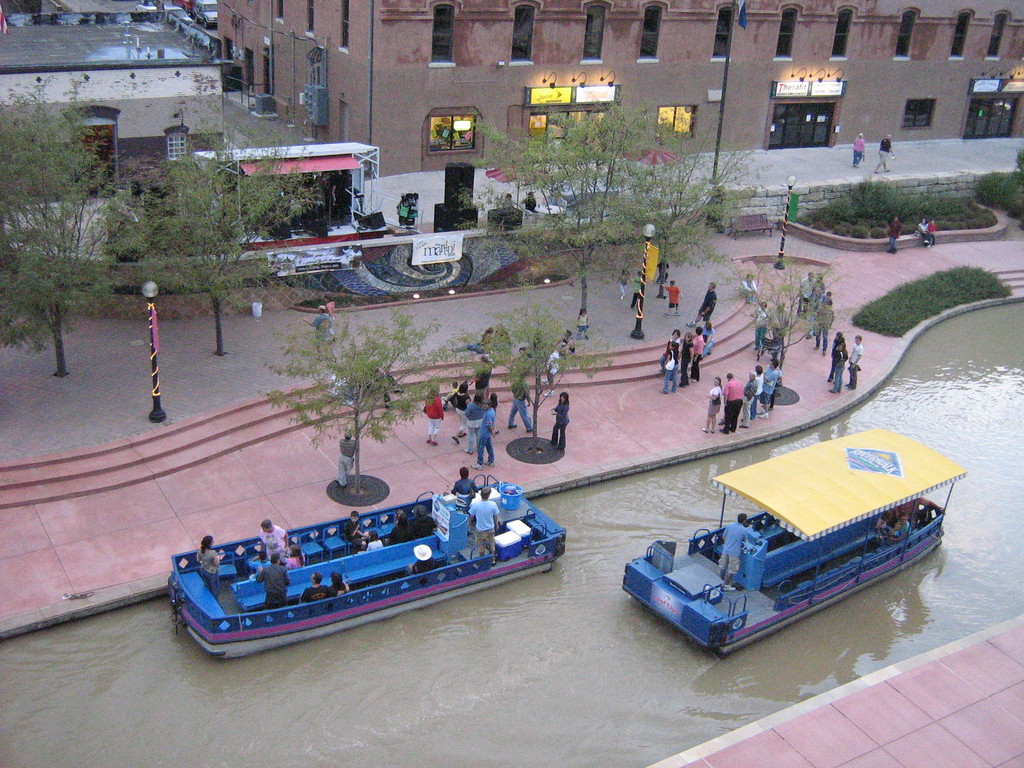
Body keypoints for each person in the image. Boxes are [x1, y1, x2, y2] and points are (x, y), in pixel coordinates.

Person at [719, 513, 760, 591]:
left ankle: (720, 581)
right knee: (732, 569)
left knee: (723, 566)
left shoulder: (730, 525)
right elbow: (745, 541)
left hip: (726, 549)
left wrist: (728, 544)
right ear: (744, 521)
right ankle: (726, 585)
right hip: (734, 552)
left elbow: (724, 536)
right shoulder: (744, 530)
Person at [468, 487, 500, 559]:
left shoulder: (475, 505)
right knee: (491, 545)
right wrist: (496, 525)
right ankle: (493, 559)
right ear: (489, 495)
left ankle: (482, 559)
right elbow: (495, 516)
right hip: (490, 529)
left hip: (480, 530)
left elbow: (471, 516)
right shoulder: (493, 504)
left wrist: (469, 522)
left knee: (481, 546)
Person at [472, 393, 496, 469]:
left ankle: (479, 464)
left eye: (484, 405)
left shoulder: (488, 414)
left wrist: (492, 431)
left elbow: (489, 425)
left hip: (484, 433)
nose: (482, 406)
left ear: (488, 405)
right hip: (487, 434)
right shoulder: (492, 410)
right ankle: (491, 461)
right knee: (489, 447)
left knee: (481, 448)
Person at [464, 392, 486, 456]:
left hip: (471, 422)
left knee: (471, 435)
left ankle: (470, 449)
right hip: (480, 421)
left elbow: (466, 414)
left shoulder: (471, 405)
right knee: (478, 434)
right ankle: (479, 448)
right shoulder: (483, 405)